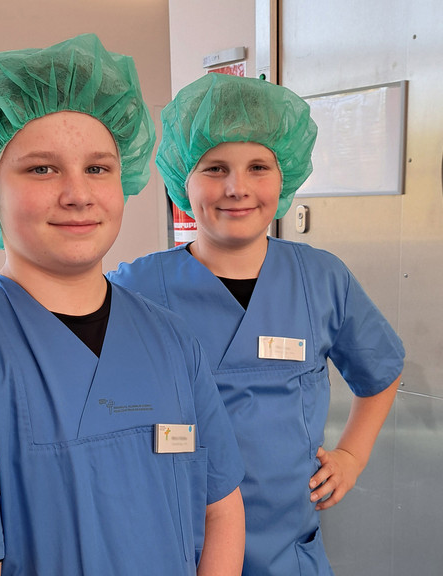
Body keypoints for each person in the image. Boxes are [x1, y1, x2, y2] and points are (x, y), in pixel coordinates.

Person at [0, 35, 245, 576]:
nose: (77, 194)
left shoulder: (172, 341)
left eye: (98, 168)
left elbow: (222, 506)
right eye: (41, 169)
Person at [108, 73, 405, 575]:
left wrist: (352, 455)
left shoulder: (320, 278)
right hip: (176, 547)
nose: (237, 187)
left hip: (288, 551)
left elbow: (381, 367)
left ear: (283, 175)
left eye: (258, 166)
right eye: (215, 167)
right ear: (184, 178)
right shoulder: (135, 288)